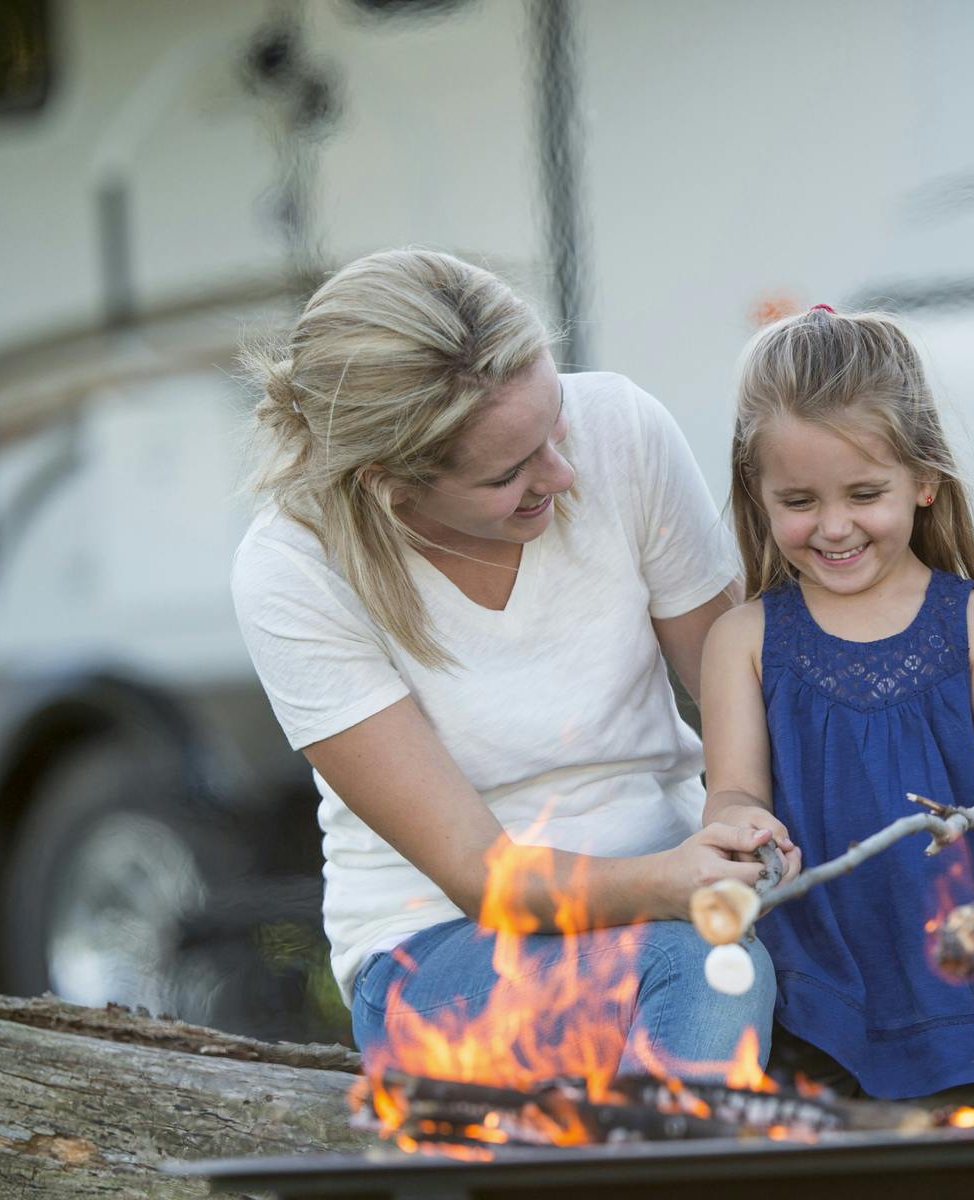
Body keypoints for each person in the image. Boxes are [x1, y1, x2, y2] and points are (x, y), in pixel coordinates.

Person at [230, 248, 788, 1084]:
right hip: (443, 952)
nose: (562, 474)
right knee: (708, 969)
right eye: (508, 473)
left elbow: (741, 700)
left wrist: (745, 818)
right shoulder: (293, 569)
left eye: (555, 424)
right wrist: (668, 883)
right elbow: (481, 878)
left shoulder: (621, 429)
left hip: (681, 910)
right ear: (387, 484)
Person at [697, 305, 974, 1107]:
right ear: (758, 493)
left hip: (954, 976)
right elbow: (731, 790)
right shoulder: (741, 639)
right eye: (799, 500)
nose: (834, 527)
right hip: (809, 984)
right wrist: (742, 821)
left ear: (923, 480)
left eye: (864, 493)